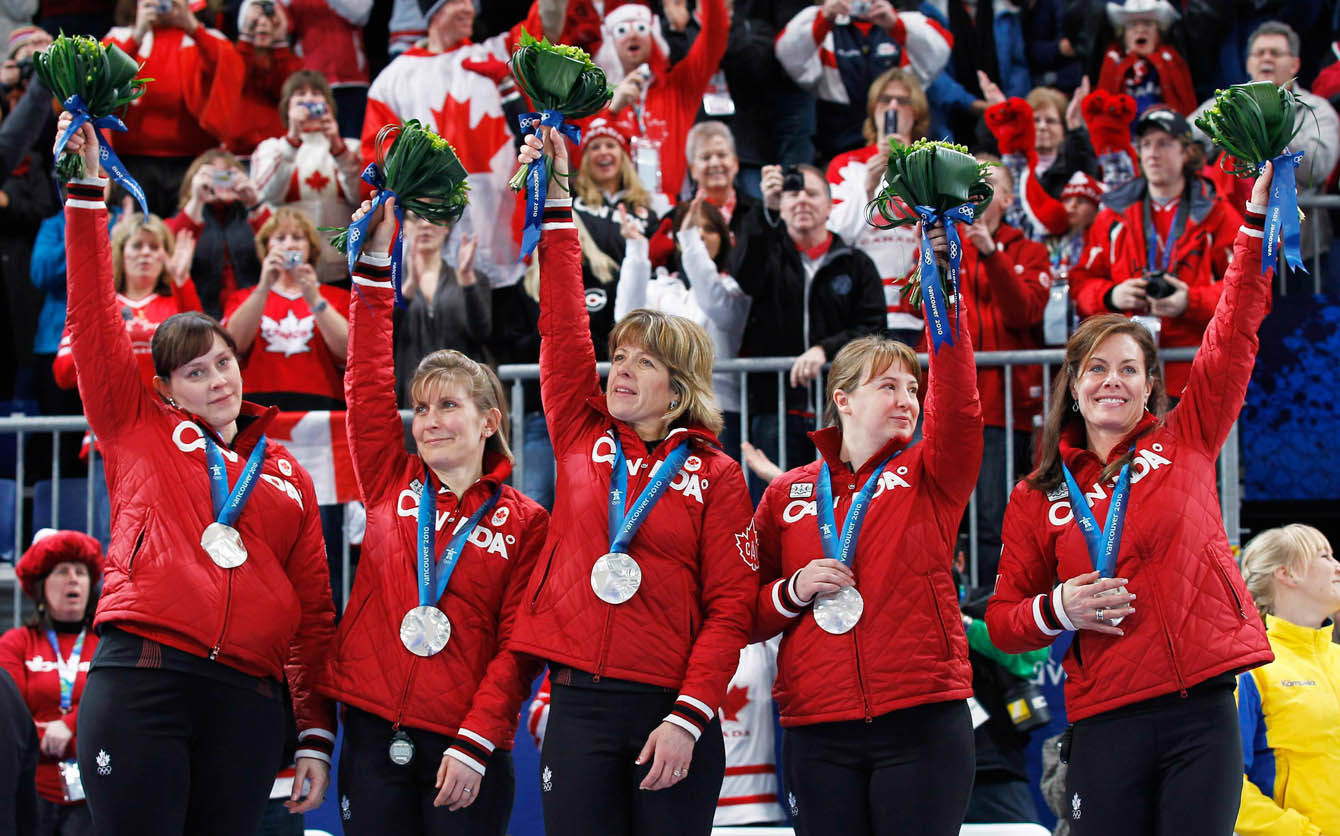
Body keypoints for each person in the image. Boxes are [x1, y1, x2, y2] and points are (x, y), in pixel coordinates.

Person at [56, 112, 337, 834]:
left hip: (248, 694)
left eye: (223, 363)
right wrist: (86, 194)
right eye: (195, 371)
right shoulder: (136, 424)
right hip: (145, 673)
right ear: (166, 388)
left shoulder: (286, 471)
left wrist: (313, 729)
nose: (217, 380)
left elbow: (312, 614)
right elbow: (92, 318)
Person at [985, 163, 1279, 836]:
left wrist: (1254, 223)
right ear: (1074, 385)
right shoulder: (1038, 495)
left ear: (1151, 385)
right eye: (1096, 368)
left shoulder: (1188, 435)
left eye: (1128, 368)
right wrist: (1057, 607)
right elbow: (1002, 622)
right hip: (1105, 711)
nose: (1111, 381)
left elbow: (1235, 326)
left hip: (1200, 706)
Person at [507, 128, 758, 836]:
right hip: (579, 701)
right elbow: (562, 326)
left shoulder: (717, 474)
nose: (620, 369)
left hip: (670, 707)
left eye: (643, 362)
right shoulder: (579, 432)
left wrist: (688, 716)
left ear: (679, 389)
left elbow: (731, 609)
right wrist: (557, 198)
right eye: (619, 356)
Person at [320, 196, 548, 835]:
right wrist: (373, 266)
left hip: (465, 745)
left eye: (448, 406)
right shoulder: (389, 480)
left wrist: (478, 739)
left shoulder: (526, 521)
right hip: (373, 731)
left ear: (489, 421)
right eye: (421, 408)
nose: (429, 421)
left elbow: (518, 647)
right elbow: (367, 386)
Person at [750, 242, 985, 834]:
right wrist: (792, 590)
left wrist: (946, 296)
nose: (907, 399)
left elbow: (959, 406)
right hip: (818, 724)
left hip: (921, 717)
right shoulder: (786, 493)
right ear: (843, 399)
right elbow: (743, 611)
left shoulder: (934, 471)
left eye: (913, 388)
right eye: (889, 386)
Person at [1068, 107, 1242, 399]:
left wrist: (1190, 301)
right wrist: (1111, 296)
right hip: (1127, 377)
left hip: (1196, 375)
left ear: (1187, 152)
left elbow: (1249, 295)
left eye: (1164, 143)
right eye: (1146, 144)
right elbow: (1080, 284)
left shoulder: (1219, 215)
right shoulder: (1111, 216)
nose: (1152, 153)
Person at [735, 163, 886, 494]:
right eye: (792, 193)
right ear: (781, 205)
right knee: (775, 502)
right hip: (775, 407)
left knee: (839, 504)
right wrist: (764, 210)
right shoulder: (766, 255)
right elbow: (744, 277)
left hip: (841, 413)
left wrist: (825, 350)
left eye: (812, 193)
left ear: (830, 206)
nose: (802, 200)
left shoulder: (856, 264)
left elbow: (873, 330)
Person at [953, 159, 1052, 586]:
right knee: (943, 515)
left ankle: (990, 606)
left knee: (993, 515)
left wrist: (992, 254)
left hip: (1002, 409)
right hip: (950, 406)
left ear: (1008, 199)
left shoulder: (1030, 251)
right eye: (970, 182)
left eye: (988, 183)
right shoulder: (942, 244)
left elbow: (1024, 312)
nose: (977, 189)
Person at [1191, 21, 1339, 270]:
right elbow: (1183, 142)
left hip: (1300, 251)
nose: (1266, 58)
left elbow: (1318, 166)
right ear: (1248, 63)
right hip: (1235, 247)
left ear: (1295, 64)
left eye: (1276, 53)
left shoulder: (1317, 110)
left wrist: (1267, 127)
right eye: (1259, 53)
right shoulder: (1223, 105)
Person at [616, 197, 751, 456]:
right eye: (692, 229)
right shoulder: (661, 287)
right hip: (661, 412)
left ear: (723, 238)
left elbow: (714, 302)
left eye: (709, 229)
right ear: (677, 240)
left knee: (718, 483)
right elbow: (627, 319)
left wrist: (690, 239)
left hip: (717, 411)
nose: (700, 235)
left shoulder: (732, 289)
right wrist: (636, 248)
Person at [1235, 524, 1340, 836]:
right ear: (1286, 574)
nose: (1337, 566)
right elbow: (1225, 785)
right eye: (1325, 556)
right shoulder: (1252, 669)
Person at [0, 530, 102, 836]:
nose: (73, 580)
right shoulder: (16, 643)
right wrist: (81, 736)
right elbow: (10, 719)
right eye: (62, 571)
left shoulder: (108, 645)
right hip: (31, 793)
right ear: (41, 585)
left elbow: (117, 713)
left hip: (95, 792)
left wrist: (68, 725)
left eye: (80, 572)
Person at [102, 0, 245, 216]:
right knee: (135, 230)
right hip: (131, 160)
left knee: (190, 226)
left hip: (193, 160)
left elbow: (229, 73)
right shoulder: (120, 37)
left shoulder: (208, 38)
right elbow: (102, 82)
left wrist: (193, 27)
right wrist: (136, 36)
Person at [825, 67, 931, 346]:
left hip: (917, 310)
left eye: (903, 101)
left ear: (916, 113)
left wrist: (908, 167)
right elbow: (835, 235)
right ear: (873, 110)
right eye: (885, 100)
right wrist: (868, 188)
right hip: (862, 310)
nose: (893, 106)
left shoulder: (932, 164)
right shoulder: (846, 165)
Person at [774, 0, 950, 159]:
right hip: (840, 143)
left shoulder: (906, 20)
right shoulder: (823, 22)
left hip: (903, 143)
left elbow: (941, 51)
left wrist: (895, 24)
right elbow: (788, 55)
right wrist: (824, 17)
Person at [53, 213, 199, 392]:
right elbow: (63, 373)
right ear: (121, 252)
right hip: (112, 406)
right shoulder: (96, 306)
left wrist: (183, 282)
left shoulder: (179, 302)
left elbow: (200, 353)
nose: (146, 252)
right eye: (137, 245)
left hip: (169, 407)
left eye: (154, 247)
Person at [223, 207, 349, 411]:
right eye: (280, 238)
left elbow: (347, 352)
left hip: (322, 403)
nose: (289, 245)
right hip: (257, 401)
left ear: (310, 248)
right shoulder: (244, 297)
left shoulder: (338, 298)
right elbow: (233, 346)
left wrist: (314, 298)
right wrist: (264, 286)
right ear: (267, 247)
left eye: (297, 238)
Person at [602, 0, 729, 201]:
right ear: (610, 42)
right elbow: (583, 156)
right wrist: (612, 112)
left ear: (653, 36)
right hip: (617, 210)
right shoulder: (597, 99)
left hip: (672, 209)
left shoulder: (680, 87)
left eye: (641, 28)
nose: (633, 35)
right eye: (622, 31)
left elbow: (715, 36)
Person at [250, 70, 364, 285]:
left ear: (329, 104)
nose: (309, 100)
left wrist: (338, 148)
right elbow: (269, 196)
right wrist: (293, 139)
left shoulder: (351, 147)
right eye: (300, 94)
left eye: (316, 93)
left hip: (344, 272)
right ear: (287, 107)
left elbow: (361, 198)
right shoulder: (271, 149)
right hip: (289, 271)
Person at [392, 212, 489, 406]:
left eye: (433, 217)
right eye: (416, 217)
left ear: (447, 227)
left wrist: (468, 282)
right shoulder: (390, 284)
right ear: (404, 227)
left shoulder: (472, 277)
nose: (425, 224)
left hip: (463, 393)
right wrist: (408, 290)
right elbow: (382, 336)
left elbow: (481, 333)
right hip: (410, 397)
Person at [166, 149, 272, 319]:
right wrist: (197, 200)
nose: (223, 182)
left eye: (229, 176)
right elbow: (171, 248)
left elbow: (278, 243)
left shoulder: (252, 216)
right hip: (199, 314)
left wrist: (254, 203)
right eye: (216, 177)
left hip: (252, 312)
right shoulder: (184, 218)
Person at [229, 0, 303, 157]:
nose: (262, 23)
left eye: (269, 18)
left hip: (279, 152)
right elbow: (234, 83)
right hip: (237, 151)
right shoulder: (231, 56)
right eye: (255, 20)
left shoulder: (293, 62)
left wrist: (281, 42)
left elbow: (283, 92)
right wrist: (246, 38)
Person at [1095, 0, 1195, 117]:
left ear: (1159, 32)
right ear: (1123, 34)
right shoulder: (1112, 63)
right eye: (1133, 25)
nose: (1141, 30)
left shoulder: (1174, 60)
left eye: (1148, 24)